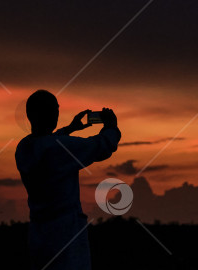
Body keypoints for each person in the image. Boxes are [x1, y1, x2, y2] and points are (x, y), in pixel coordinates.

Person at [15, 90, 121, 270]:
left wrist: (70, 129)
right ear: (49, 113)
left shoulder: (24, 147)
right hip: (65, 234)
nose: (57, 113)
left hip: (39, 234)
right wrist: (111, 127)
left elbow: (48, 142)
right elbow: (101, 146)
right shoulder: (58, 149)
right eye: (55, 109)